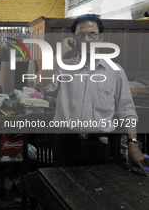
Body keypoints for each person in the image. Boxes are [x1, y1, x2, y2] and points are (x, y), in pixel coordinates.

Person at [36, 14, 148, 175]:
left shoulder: (115, 71)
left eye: (92, 34)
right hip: (66, 144)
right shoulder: (63, 67)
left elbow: (127, 111)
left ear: (100, 38)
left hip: (99, 145)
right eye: (81, 35)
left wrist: (133, 144)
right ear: (74, 40)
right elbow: (41, 83)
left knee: (96, 192)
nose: (87, 40)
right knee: (61, 192)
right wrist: (60, 53)